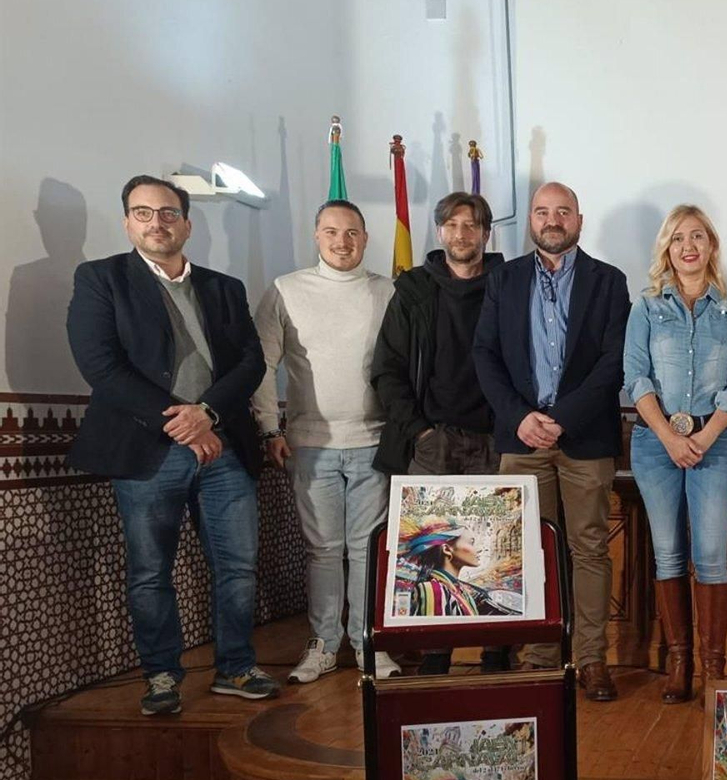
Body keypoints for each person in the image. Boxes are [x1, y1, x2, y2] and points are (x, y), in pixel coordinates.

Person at [66, 176, 280, 717]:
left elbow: (251, 362)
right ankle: (161, 674)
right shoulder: (101, 279)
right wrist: (182, 423)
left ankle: (236, 667)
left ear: (186, 222)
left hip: (223, 448)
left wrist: (206, 414)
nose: (156, 223)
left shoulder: (224, 287)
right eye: (143, 213)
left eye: (167, 213)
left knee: (237, 564)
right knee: (148, 571)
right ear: (127, 222)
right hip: (146, 451)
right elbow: (101, 365)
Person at [473, 182, 630, 701]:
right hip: (519, 438)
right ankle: (539, 658)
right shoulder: (503, 280)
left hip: (584, 437)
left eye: (563, 212)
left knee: (588, 549)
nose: (552, 220)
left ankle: (590, 660)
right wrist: (520, 417)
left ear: (580, 221)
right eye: (543, 212)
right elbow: (486, 356)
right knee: (525, 552)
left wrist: (560, 418)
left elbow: (613, 364)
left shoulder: (609, 282)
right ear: (531, 222)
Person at [252, 200, 398, 682]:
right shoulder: (285, 290)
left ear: (366, 238)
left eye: (352, 232)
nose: (342, 241)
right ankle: (322, 644)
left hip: (373, 441)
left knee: (365, 550)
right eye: (331, 231)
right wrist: (269, 427)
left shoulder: (388, 291)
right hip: (310, 443)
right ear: (316, 236)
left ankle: (366, 644)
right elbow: (262, 364)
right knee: (323, 550)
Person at [371, 191, 509, 676]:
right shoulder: (413, 289)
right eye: (452, 225)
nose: (462, 234)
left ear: (487, 234)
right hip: (434, 441)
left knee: (493, 549)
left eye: (472, 225)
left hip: (496, 439)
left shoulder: (509, 284)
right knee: (430, 549)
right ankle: (434, 653)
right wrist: (421, 432)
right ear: (439, 232)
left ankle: (497, 650)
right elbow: (386, 369)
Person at [622, 206, 727, 703]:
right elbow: (635, 377)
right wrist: (671, 438)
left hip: (716, 443)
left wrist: (706, 434)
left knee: (712, 556)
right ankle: (679, 661)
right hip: (656, 444)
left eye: (698, 236)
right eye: (678, 238)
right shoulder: (647, 307)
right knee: (668, 552)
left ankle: (712, 669)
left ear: (712, 245)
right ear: (667, 248)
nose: (689, 246)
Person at [399, 515, 516, 617]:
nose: (479, 549)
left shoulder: (462, 592)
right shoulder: (434, 590)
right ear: (447, 549)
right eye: (471, 542)